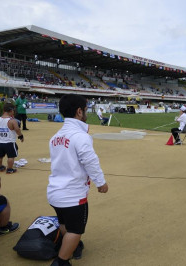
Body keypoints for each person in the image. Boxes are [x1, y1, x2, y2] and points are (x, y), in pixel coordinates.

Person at [47, 94, 108, 266]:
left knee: (64, 223)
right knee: (76, 229)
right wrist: (101, 182)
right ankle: (61, 261)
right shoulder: (80, 136)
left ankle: (71, 246)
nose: (86, 112)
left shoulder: (55, 137)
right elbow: (90, 161)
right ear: (79, 112)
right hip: (73, 195)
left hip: (55, 192)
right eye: (86, 109)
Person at [0, 103, 24, 174]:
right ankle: (9, 169)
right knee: (11, 156)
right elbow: (17, 129)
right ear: (11, 110)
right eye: (14, 110)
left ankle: (1, 167)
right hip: (9, 142)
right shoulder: (12, 121)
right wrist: (21, 136)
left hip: (0, 142)